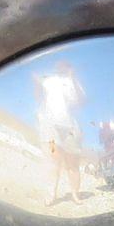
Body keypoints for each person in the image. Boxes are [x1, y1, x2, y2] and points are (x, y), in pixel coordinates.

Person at [32, 57, 87, 204]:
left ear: (69, 67)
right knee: (53, 159)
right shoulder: (49, 79)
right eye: (59, 64)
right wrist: (36, 84)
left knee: (72, 163)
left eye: (65, 65)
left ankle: (75, 194)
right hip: (50, 129)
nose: (61, 66)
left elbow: (82, 102)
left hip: (70, 129)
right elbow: (38, 98)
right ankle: (51, 195)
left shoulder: (73, 83)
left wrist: (73, 77)